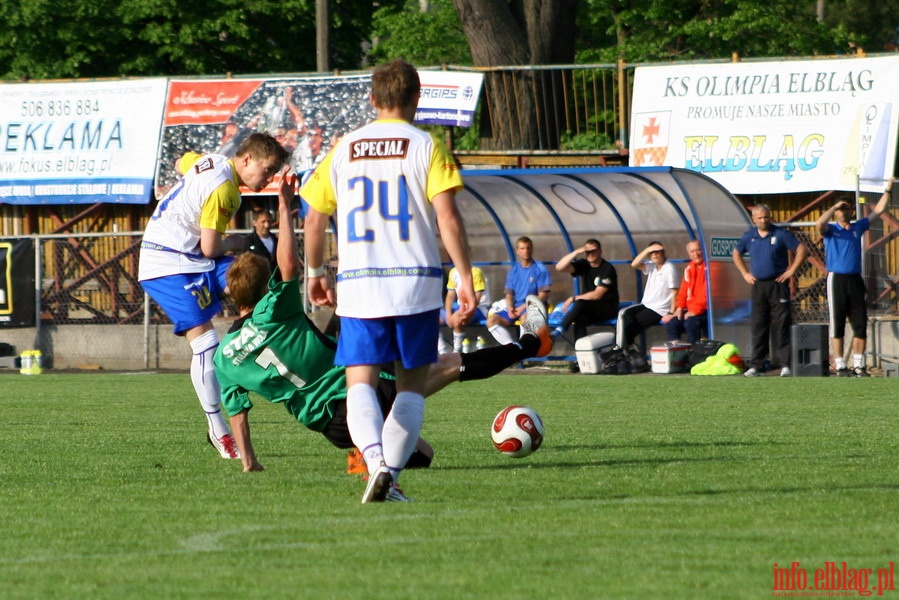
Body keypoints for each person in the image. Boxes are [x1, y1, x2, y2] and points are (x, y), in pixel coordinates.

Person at [214, 186, 551, 490]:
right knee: (448, 366)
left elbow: (238, 416)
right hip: (355, 396)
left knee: (424, 454)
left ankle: (367, 451)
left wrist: (249, 463)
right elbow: (288, 265)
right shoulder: (273, 310)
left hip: (330, 428)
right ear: (264, 289)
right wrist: (285, 203)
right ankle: (533, 343)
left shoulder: (224, 358)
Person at [301, 59, 480, 503]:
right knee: (410, 385)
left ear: (373, 99)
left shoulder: (343, 148)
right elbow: (447, 217)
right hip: (415, 282)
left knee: (358, 382)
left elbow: (315, 215)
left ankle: (377, 463)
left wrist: (315, 273)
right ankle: (390, 474)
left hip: (360, 283)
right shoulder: (426, 145)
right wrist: (464, 278)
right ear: (417, 99)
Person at [138, 132, 291, 459]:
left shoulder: (213, 162)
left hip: (189, 256)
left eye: (274, 173)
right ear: (247, 159)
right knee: (206, 344)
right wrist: (235, 241)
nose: (269, 178)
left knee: (253, 273)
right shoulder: (226, 190)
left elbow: (183, 161)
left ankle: (250, 342)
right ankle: (218, 429)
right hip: (165, 262)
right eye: (267, 170)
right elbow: (211, 247)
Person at [816, 181, 893, 377]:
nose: (843, 212)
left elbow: (880, 210)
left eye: (847, 208)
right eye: (840, 209)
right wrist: (834, 206)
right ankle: (840, 365)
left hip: (855, 279)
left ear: (852, 210)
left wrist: (888, 188)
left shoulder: (858, 226)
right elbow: (819, 224)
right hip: (837, 279)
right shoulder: (831, 230)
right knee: (838, 322)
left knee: (860, 322)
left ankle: (859, 364)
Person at [732, 204, 809, 377]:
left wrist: (791, 270)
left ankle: (786, 365)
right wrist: (745, 273)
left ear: (770, 216)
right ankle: (757, 366)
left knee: (782, 324)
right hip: (758, 286)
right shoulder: (749, 236)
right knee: (759, 325)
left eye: (766, 217)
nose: (763, 220)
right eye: (759, 218)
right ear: (754, 219)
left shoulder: (780, 233)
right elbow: (736, 253)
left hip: (777, 285)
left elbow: (801, 249)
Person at [486, 236, 552, 347]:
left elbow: (543, 296)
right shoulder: (514, 271)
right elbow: (509, 294)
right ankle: (513, 348)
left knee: (525, 319)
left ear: (532, 249)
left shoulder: (540, 269)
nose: (525, 251)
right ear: (517, 251)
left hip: (533, 306)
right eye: (522, 248)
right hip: (516, 307)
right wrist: (510, 308)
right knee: (491, 321)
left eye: (528, 248)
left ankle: (525, 350)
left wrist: (523, 307)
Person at [549, 238, 619, 342]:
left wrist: (573, 298)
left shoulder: (607, 268)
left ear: (600, 251)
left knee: (580, 303)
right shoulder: (584, 264)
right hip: (588, 307)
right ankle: (581, 353)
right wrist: (576, 252)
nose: (590, 254)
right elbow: (560, 267)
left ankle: (559, 330)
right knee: (579, 318)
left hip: (606, 307)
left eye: (593, 251)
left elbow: (597, 295)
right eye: (587, 252)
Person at [616, 242, 679, 352]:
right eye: (652, 253)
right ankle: (626, 349)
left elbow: (675, 292)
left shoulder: (669, 268)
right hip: (646, 305)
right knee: (625, 314)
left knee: (634, 324)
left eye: (657, 252)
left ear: (663, 253)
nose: (654, 255)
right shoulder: (652, 266)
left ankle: (623, 349)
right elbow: (634, 264)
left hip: (660, 309)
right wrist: (646, 250)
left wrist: (671, 312)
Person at [665, 240, 708, 344]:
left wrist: (693, 311)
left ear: (704, 251)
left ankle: (693, 352)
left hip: (708, 310)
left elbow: (705, 294)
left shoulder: (710, 267)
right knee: (672, 323)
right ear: (689, 254)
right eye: (692, 251)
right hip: (691, 309)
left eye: (698, 250)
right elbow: (683, 291)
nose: (696, 254)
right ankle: (676, 351)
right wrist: (679, 308)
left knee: (690, 323)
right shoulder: (689, 268)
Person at [440, 265, 491, 354]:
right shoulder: (453, 271)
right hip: (460, 306)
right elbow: (450, 296)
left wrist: (457, 314)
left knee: (458, 318)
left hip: (479, 308)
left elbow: (476, 300)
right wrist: (448, 314)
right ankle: (442, 351)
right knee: (431, 318)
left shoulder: (476, 272)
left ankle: (456, 352)